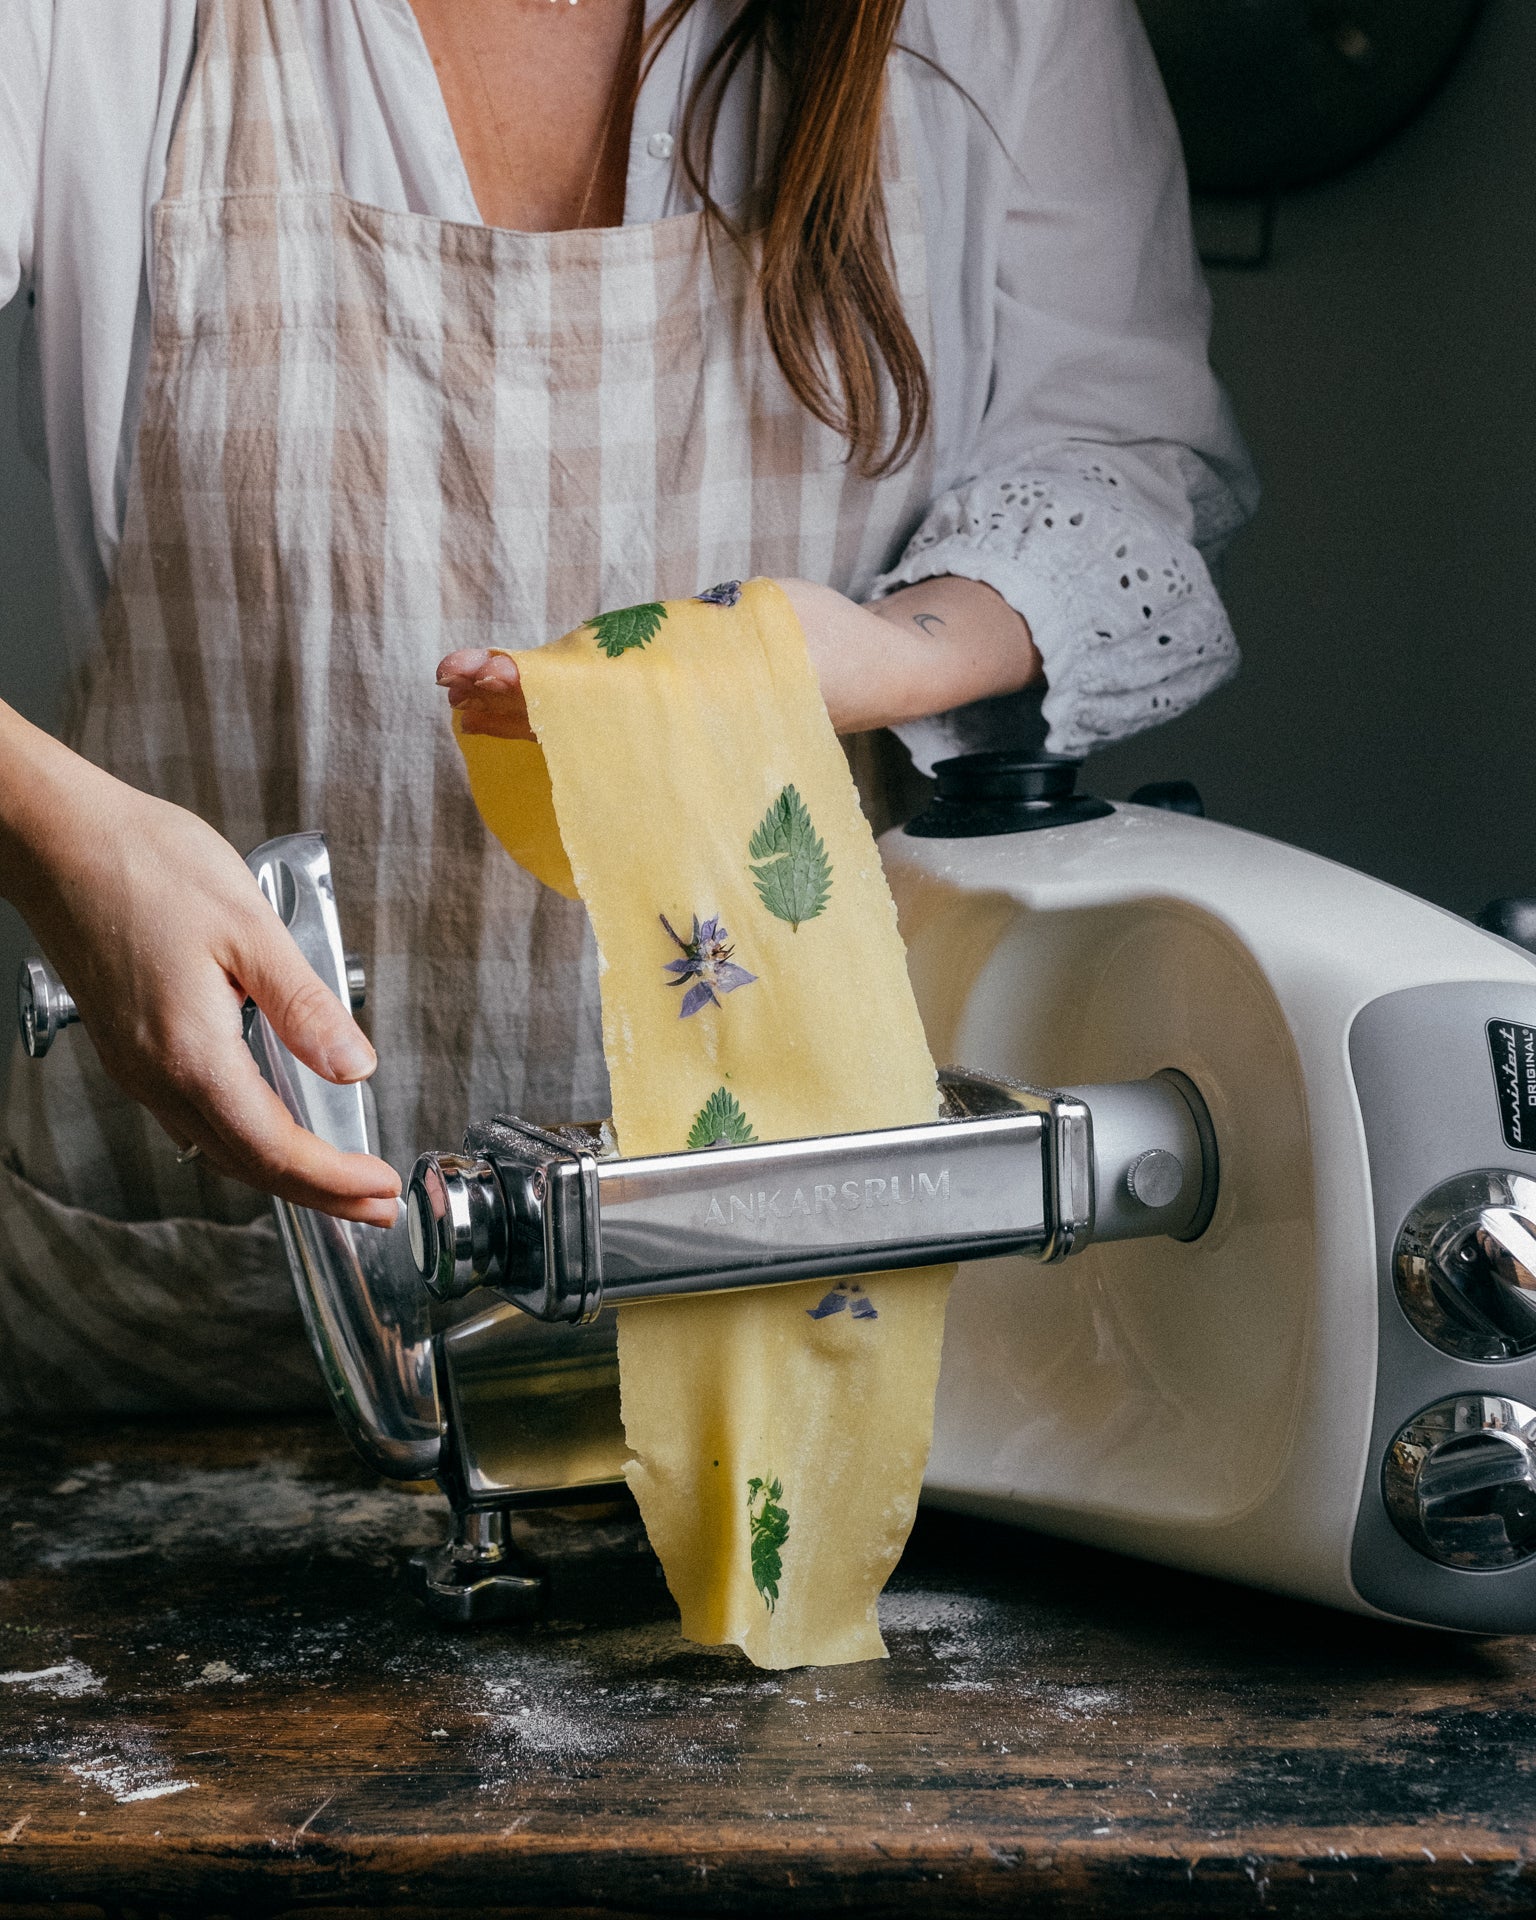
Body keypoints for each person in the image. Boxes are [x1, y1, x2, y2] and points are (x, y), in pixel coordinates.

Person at [0, 0, 1256, 1413]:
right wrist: (58, 833)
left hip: (809, 1295)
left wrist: (873, 653)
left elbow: (1117, 453)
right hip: (204, 1332)